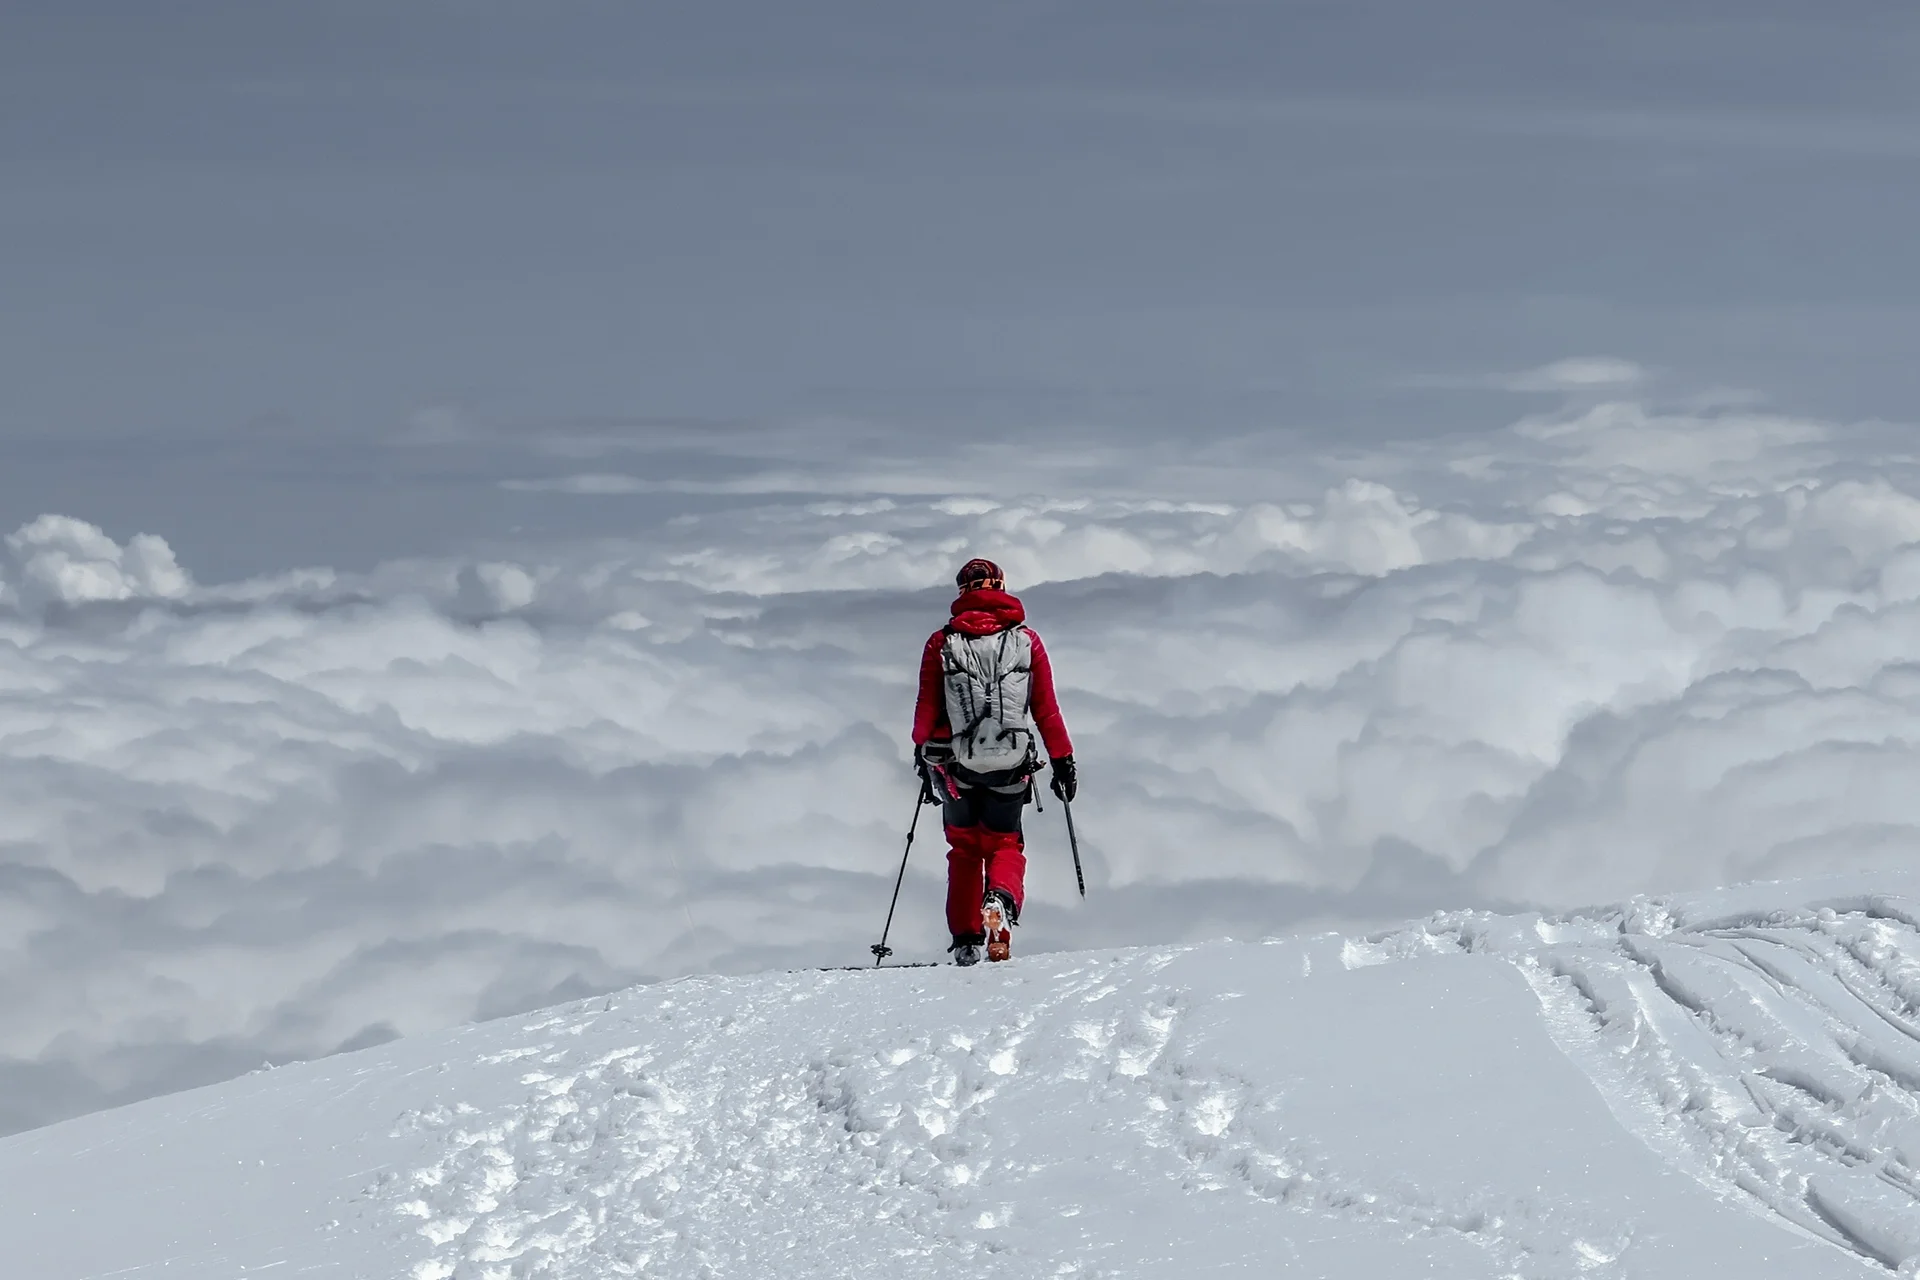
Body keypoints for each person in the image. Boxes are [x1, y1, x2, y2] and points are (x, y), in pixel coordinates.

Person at [912, 558, 1076, 965]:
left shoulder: (941, 642)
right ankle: (999, 906)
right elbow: (1046, 710)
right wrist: (1063, 761)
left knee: (964, 848)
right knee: (1005, 842)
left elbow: (925, 712)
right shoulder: (1027, 641)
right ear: (1001, 586)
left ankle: (966, 940)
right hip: (1011, 762)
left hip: (955, 766)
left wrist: (922, 754)